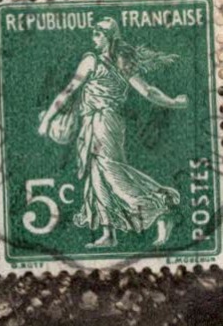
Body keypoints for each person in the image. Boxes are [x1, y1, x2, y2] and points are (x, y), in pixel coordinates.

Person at [38, 18, 189, 249]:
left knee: (111, 172)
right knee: (96, 177)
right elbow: (69, 91)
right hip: (95, 122)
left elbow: (147, 91)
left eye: (97, 34)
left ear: (108, 37)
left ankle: (160, 210)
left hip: (105, 122)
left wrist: (174, 103)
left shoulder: (101, 61)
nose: (93, 38)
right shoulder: (109, 62)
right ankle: (109, 235)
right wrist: (48, 118)